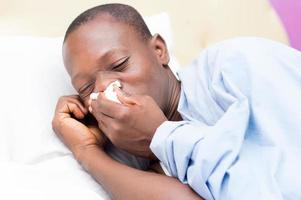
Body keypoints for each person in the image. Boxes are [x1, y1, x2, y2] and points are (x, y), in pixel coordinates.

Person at [52, 3, 301, 200]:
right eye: (86, 88)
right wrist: (87, 152)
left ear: (159, 50)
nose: (104, 89)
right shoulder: (128, 156)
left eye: (119, 65)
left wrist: (163, 135)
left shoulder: (234, 67)